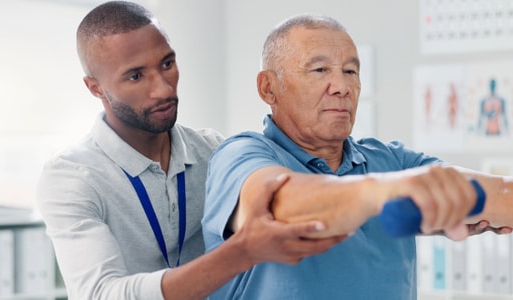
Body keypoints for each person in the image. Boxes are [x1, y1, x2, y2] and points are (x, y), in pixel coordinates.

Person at [201, 13, 513, 299]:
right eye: (319, 69)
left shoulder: (389, 161)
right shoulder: (243, 155)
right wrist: (396, 191)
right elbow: (281, 205)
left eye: (351, 70)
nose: (341, 85)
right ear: (269, 88)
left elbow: (504, 194)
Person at [35, 3, 346, 300]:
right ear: (95, 88)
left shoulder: (215, 150)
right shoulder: (71, 177)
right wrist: (243, 251)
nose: (164, 89)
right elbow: (101, 294)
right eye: (135, 76)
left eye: (167, 64)